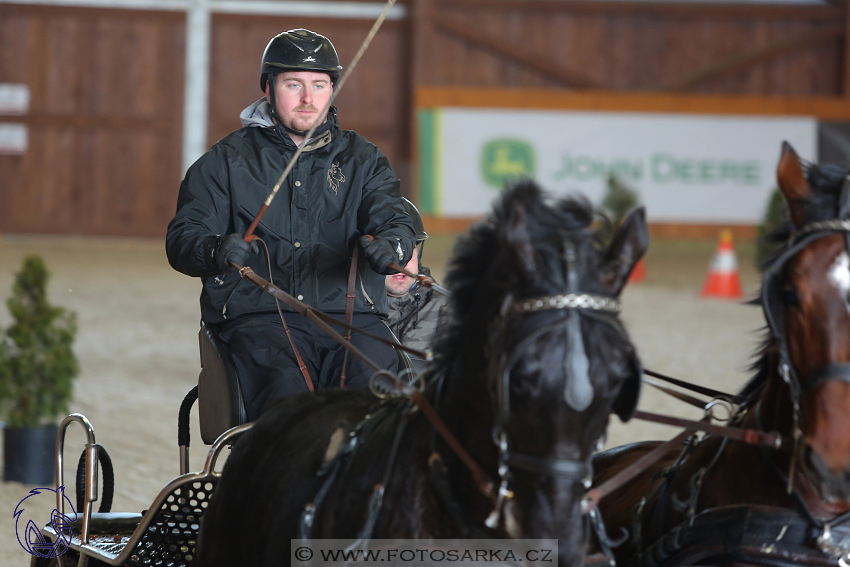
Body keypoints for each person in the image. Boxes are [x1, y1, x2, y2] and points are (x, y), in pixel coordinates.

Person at [166, 28, 415, 421]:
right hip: (259, 318)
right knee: (290, 408)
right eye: (293, 84)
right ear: (268, 88)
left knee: (380, 407)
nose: (307, 98)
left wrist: (394, 246)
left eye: (319, 85)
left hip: (352, 319)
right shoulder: (225, 162)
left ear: (332, 90)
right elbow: (182, 238)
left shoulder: (363, 160)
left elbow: (396, 220)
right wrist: (214, 249)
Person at [385, 198, 450, 377]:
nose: (402, 261)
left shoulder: (450, 311)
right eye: (391, 251)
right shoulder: (349, 312)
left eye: (408, 250)